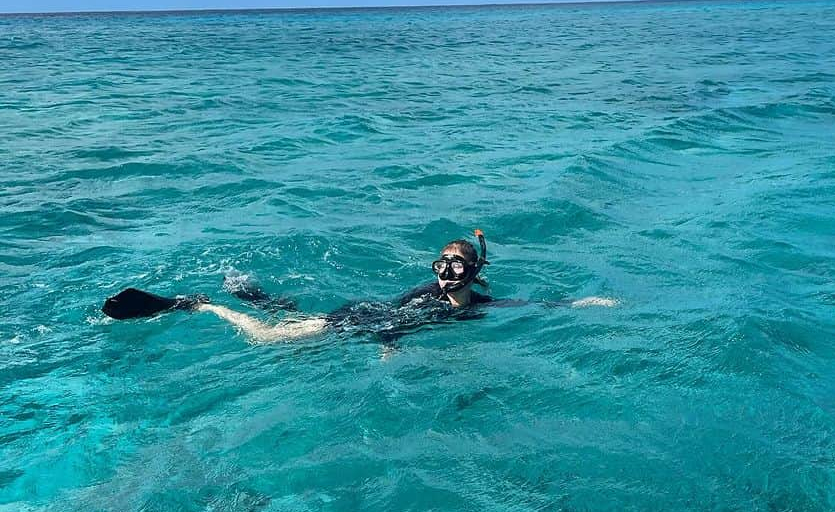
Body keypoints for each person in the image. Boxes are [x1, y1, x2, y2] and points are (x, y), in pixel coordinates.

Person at [102, 231, 616, 346]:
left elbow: (531, 303)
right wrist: (387, 347)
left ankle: (258, 294)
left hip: (366, 322)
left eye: (457, 268)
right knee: (268, 339)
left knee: (284, 327)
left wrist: (584, 302)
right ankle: (202, 304)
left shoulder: (479, 304)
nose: (445, 274)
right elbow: (395, 320)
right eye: (441, 265)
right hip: (359, 319)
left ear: (473, 273)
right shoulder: (426, 295)